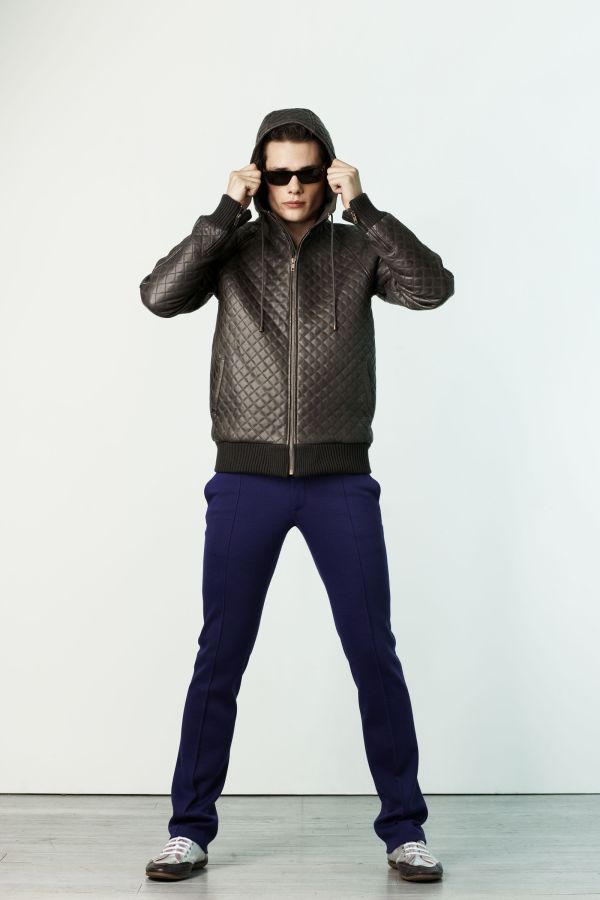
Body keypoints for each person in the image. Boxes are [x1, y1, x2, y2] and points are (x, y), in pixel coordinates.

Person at [139, 107, 454, 884]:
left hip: (339, 482)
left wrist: (366, 209)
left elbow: (432, 289)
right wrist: (222, 213)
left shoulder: (357, 249)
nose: (292, 186)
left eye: (308, 173)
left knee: (372, 652)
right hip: (244, 481)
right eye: (278, 173)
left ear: (328, 173)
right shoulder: (231, 248)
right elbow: (159, 296)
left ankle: (405, 830)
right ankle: (188, 829)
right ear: (258, 175)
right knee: (220, 656)